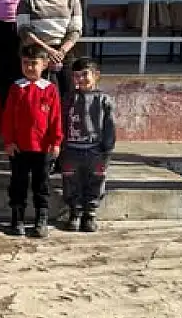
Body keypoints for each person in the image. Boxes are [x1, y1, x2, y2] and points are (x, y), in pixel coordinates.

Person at [1, 45, 62, 238]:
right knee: (18, 184)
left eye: (33, 63)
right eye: (25, 63)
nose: (29, 67)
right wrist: (9, 141)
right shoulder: (16, 88)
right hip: (19, 148)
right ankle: (17, 219)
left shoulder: (50, 89)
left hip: (42, 148)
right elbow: (8, 117)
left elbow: (55, 118)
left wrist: (56, 142)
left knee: (41, 185)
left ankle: (40, 219)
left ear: (44, 64)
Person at [16, 0, 82, 101]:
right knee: (42, 101)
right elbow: (24, 31)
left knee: (67, 99)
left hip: (64, 55)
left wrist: (60, 52)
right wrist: (48, 51)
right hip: (37, 54)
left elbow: (75, 30)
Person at [61, 57, 115, 233]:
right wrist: (61, 146)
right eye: (76, 76)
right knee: (71, 181)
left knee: (96, 181)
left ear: (96, 75)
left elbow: (110, 125)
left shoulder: (104, 99)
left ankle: (90, 214)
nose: (81, 79)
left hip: (95, 150)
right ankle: (74, 213)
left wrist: (107, 149)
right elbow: (60, 122)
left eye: (85, 74)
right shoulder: (68, 98)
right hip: (71, 150)